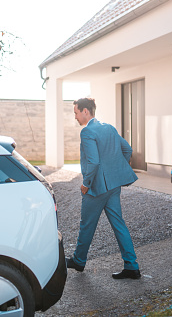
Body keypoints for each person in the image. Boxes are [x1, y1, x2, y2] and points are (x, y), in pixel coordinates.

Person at [66, 97, 141, 279]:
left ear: (85, 111)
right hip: (113, 187)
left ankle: (79, 261)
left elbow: (93, 162)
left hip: (96, 188)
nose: (75, 117)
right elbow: (127, 150)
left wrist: (85, 184)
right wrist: (114, 171)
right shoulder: (109, 128)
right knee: (119, 224)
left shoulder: (87, 132)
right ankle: (132, 266)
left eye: (76, 112)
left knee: (86, 225)